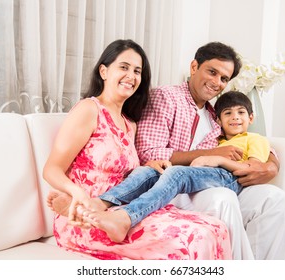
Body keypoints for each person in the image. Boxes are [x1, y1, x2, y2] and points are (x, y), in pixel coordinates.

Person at [43, 39, 232, 260]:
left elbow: (125, 174)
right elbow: (51, 169)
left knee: (215, 228)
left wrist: (150, 165)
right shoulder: (89, 109)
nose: (131, 76)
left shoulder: (129, 123)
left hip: (122, 207)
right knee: (193, 237)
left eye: (137, 71)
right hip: (86, 216)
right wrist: (77, 194)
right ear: (104, 71)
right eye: (123, 67)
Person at [133, 41, 285, 260]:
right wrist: (211, 155)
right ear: (194, 67)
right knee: (223, 198)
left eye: (224, 78)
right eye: (212, 72)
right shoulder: (166, 97)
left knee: (276, 199)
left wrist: (271, 166)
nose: (217, 82)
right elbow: (148, 152)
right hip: (173, 188)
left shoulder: (214, 115)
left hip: (211, 184)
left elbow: (249, 141)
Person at [80, 91, 271, 244]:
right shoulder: (216, 138)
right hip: (208, 174)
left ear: (251, 118)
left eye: (241, 113)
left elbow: (251, 167)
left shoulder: (255, 139)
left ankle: (126, 218)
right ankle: (101, 202)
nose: (235, 118)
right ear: (218, 121)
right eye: (228, 113)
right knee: (150, 171)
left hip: (229, 177)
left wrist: (217, 160)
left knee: (177, 173)